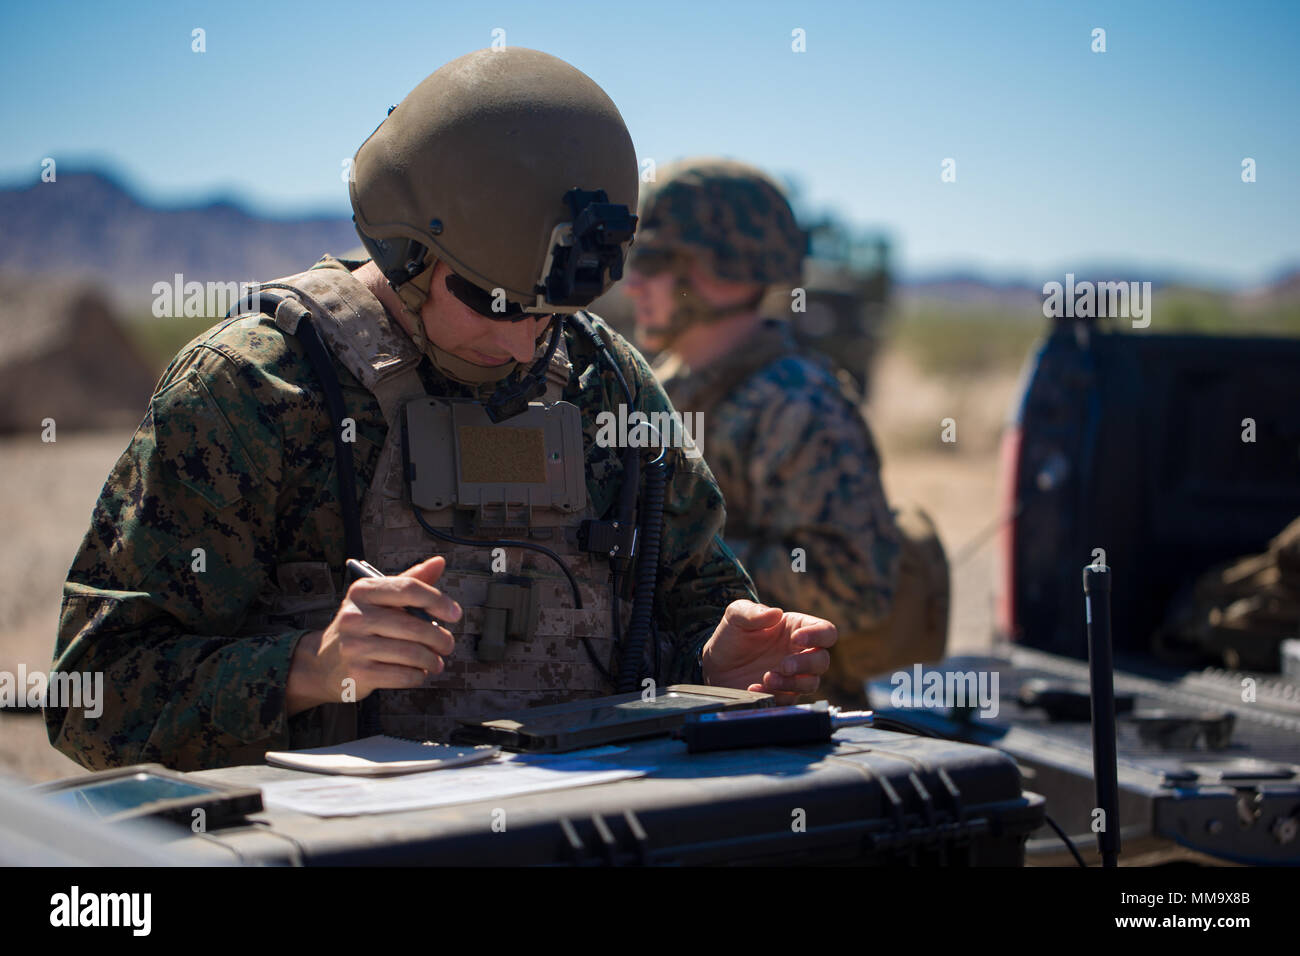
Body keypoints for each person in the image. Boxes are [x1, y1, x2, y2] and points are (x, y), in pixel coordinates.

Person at [48, 50, 837, 773]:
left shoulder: (610, 385)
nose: (527, 347)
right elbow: (92, 696)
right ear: (407, 250)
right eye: (495, 303)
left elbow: (681, 621)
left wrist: (715, 665)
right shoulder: (255, 391)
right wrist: (307, 669)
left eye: (552, 312)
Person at [623, 158, 949, 708]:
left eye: (653, 262)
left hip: (789, 715)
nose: (633, 285)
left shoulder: (796, 404)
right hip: (688, 698)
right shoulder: (662, 386)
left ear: (726, 272)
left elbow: (857, 589)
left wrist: (681, 557)